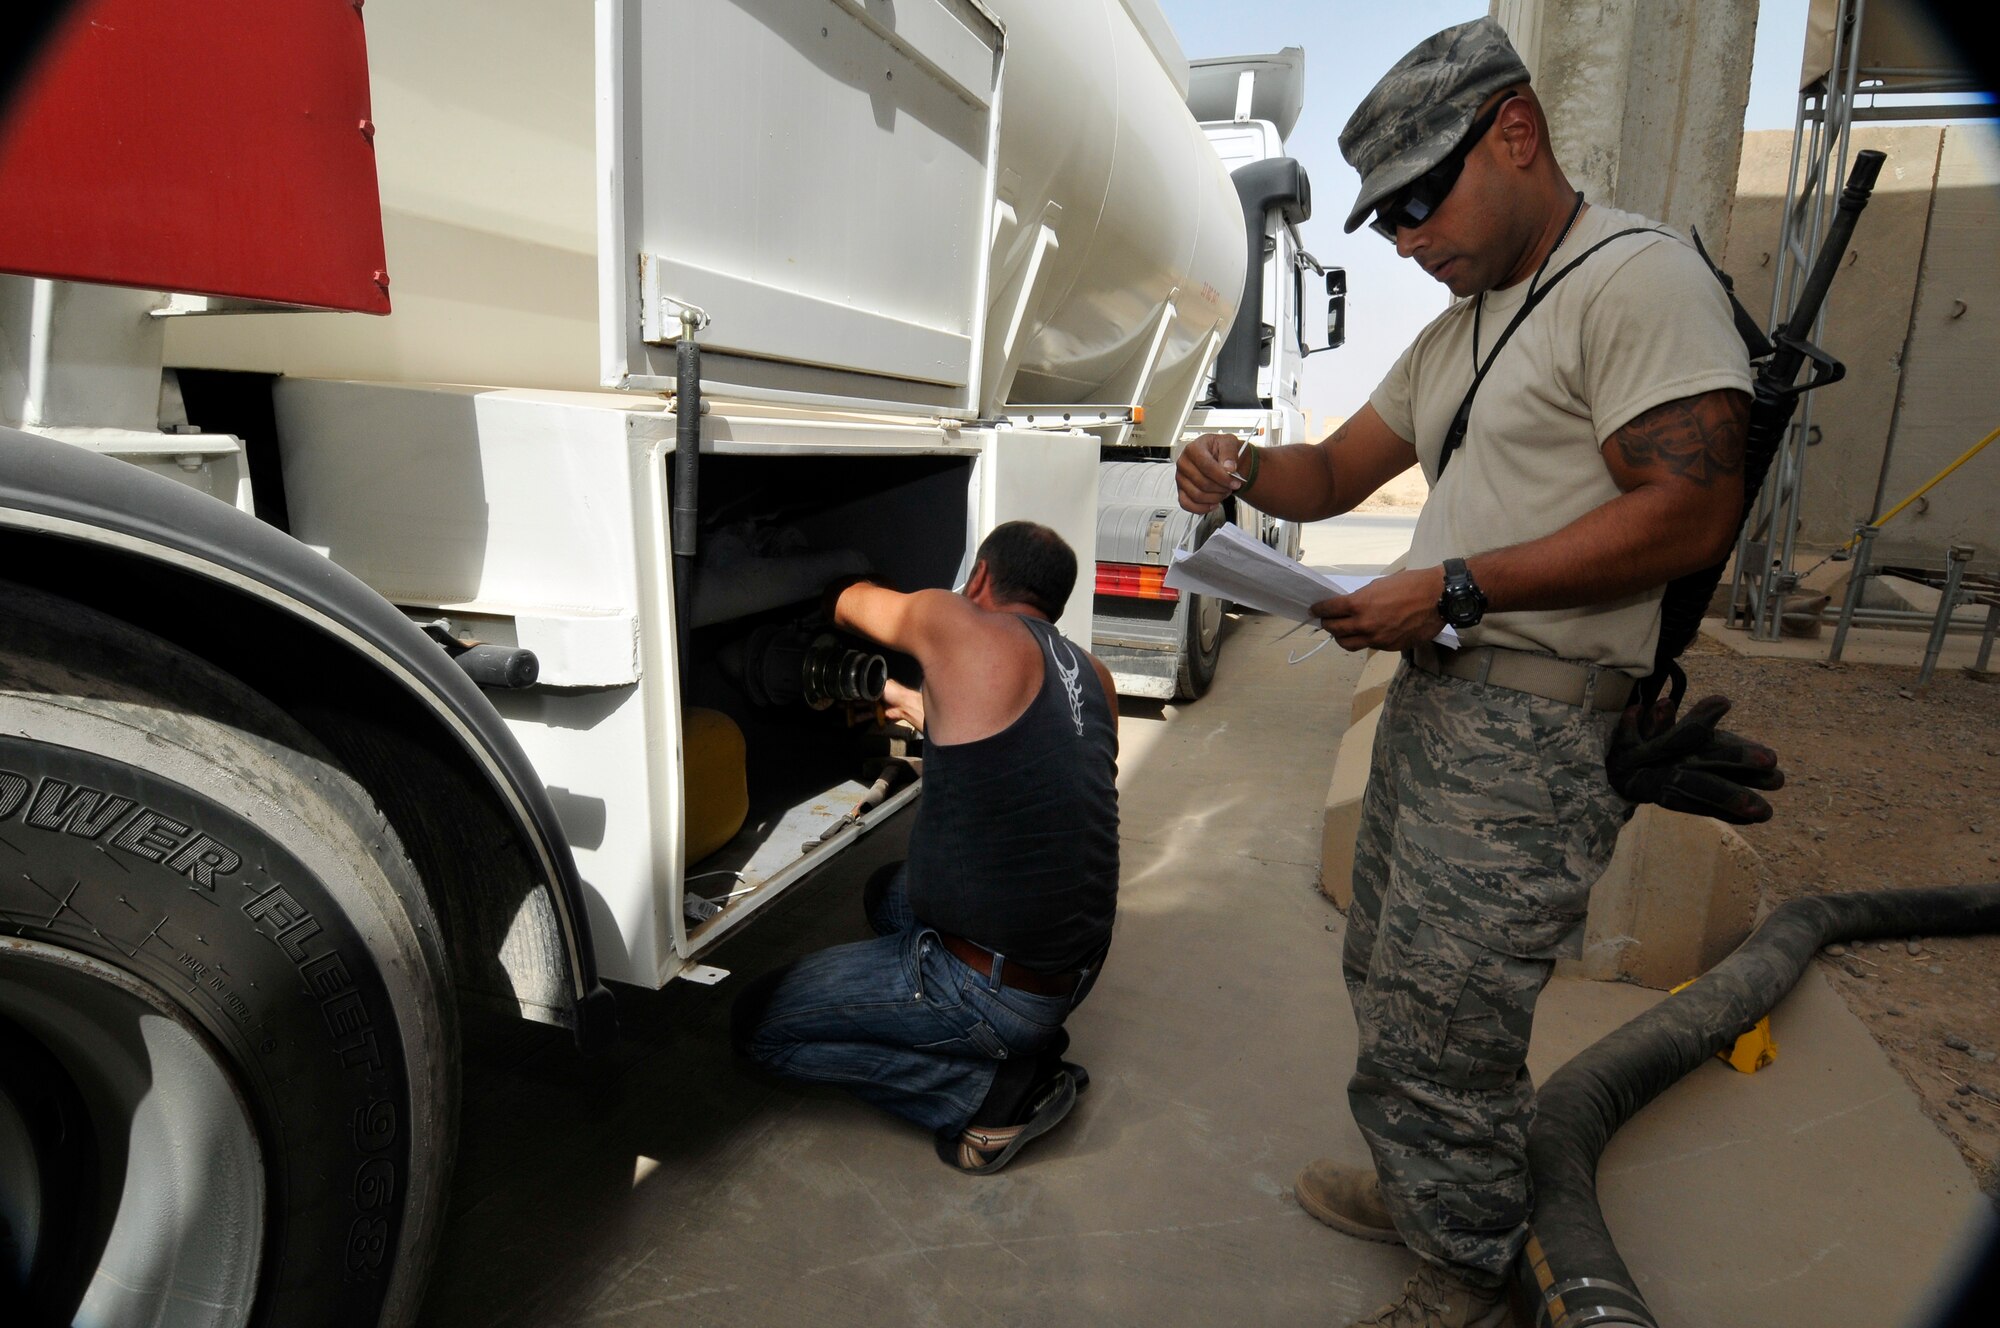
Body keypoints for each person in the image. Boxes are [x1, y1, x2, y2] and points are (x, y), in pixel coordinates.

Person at [1176, 18, 1752, 1328]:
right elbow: (1330, 476)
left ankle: (1464, 1270)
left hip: (1532, 727)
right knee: (1392, 972)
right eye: (1384, 219)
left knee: (1454, 1016)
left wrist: (1456, 585)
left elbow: (1690, 510)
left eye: (1419, 200)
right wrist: (1234, 467)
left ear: (1517, 133)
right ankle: (1426, 1183)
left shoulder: (1634, 281)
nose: (1404, 239)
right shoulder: (1469, 326)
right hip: (1444, 705)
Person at [731, 520, 1120, 1174]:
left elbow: (843, 598)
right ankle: (1014, 1038)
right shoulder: (1093, 675)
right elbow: (1022, 755)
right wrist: (902, 697)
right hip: (1071, 968)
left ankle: (985, 1094)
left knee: (757, 1027)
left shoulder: (958, 621)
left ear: (981, 579)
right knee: (887, 893)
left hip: (993, 988)